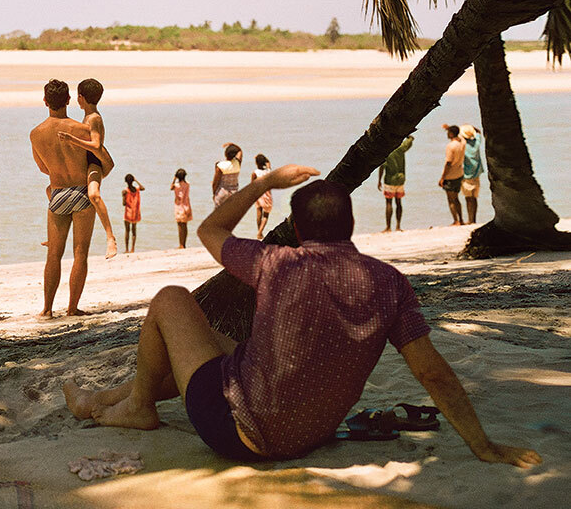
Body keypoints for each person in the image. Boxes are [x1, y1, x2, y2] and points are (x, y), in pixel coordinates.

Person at [63, 166, 542, 468]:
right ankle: (104, 398)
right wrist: (482, 445)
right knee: (222, 346)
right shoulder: (390, 283)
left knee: (171, 300)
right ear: (350, 225)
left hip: (237, 433)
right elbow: (432, 372)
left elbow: (210, 229)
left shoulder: (277, 263)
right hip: (306, 436)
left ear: (296, 228)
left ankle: (139, 407)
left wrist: (265, 183)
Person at [30, 79, 97, 318]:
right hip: (81, 193)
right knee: (80, 253)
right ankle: (72, 308)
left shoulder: (36, 133)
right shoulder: (82, 129)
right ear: (68, 100)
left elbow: (42, 168)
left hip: (58, 194)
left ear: (45, 101)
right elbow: (96, 159)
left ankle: (47, 309)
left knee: (53, 254)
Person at [56, 78, 118, 259]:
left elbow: (96, 145)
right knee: (53, 190)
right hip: (85, 162)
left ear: (81, 98)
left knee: (94, 194)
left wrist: (71, 140)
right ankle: (56, 236)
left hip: (94, 162)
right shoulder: (88, 117)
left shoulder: (94, 118)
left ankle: (110, 238)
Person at [378, 135, 414, 232]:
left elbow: (382, 167)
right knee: (399, 202)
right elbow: (411, 139)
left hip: (390, 180)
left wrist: (379, 181)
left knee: (389, 203)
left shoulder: (386, 151)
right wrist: (406, 135)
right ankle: (398, 226)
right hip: (400, 179)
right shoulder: (400, 148)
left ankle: (388, 227)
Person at [439, 125, 466, 226]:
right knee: (456, 198)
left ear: (451, 134)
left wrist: (442, 178)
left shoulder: (450, 146)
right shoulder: (462, 143)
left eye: (448, 132)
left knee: (451, 200)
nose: (447, 134)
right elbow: (461, 136)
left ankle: (456, 221)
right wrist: (449, 127)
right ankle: (461, 219)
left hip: (450, 176)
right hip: (459, 174)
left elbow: (448, 163)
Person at [460, 124, 484, 225]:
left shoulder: (462, 145)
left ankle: (470, 220)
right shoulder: (477, 142)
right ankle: (473, 219)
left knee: (468, 198)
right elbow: (479, 133)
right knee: (474, 198)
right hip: (476, 174)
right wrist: (472, 129)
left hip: (466, 175)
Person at [251, 154, 273, 239]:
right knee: (266, 214)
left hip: (258, 194)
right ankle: (260, 232)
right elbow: (268, 163)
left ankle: (259, 233)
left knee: (259, 213)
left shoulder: (255, 173)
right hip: (267, 194)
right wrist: (264, 159)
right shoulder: (268, 172)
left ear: (256, 163)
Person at [122, 174, 144, 253]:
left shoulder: (125, 191)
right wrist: (136, 180)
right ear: (132, 181)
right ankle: (132, 249)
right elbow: (143, 188)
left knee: (127, 231)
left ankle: (127, 249)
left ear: (126, 181)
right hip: (135, 213)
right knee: (134, 231)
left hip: (128, 213)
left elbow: (124, 204)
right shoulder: (137, 189)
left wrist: (123, 196)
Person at [171, 168, 193, 248]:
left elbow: (171, 188)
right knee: (185, 225)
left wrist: (174, 179)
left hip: (179, 205)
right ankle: (184, 244)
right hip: (186, 205)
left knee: (180, 225)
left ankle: (181, 244)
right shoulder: (187, 184)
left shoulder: (176, 185)